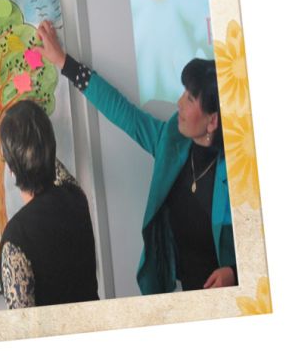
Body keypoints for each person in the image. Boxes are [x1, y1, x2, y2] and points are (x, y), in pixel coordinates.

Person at [36, 20, 237, 295]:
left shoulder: (239, 169)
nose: (179, 103)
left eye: (190, 99)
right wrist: (64, 62)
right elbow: (124, 113)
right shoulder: (171, 142)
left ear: (213, 121)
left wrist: (234, 272)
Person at [0, 100, 99, 308]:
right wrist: (34, 127)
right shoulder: (75, 196)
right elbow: (55, 167)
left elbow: (22, 322)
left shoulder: (15, 238)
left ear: (10, 168)